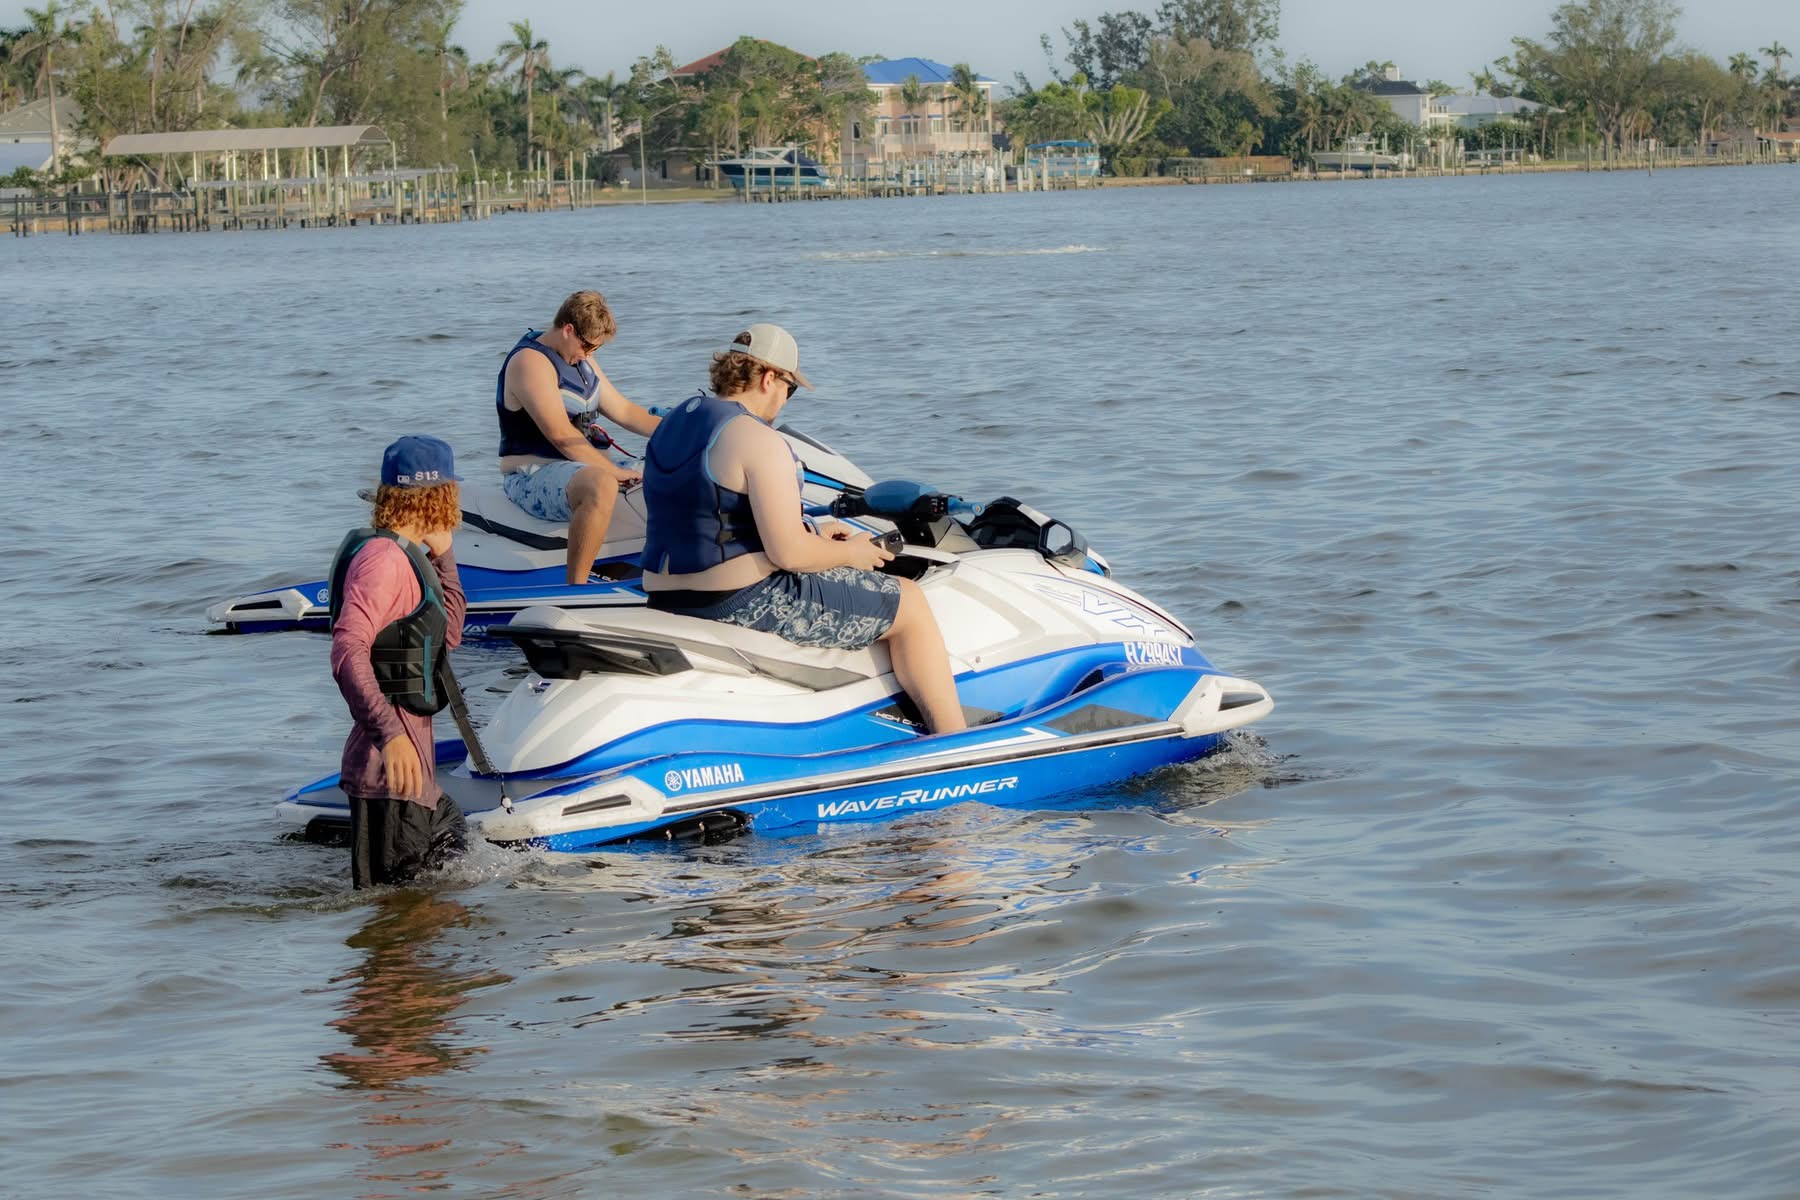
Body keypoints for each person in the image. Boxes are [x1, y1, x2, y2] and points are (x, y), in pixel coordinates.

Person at [639, 324, 967, 736]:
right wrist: (854, 554)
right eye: (789, 389)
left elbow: (707, 512)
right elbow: (790, 555)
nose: (784, 401)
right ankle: (953, 738)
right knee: (912, 604)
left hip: (664, 595)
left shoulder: (673, 424)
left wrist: (813, 532)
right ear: (768, 377)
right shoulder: (758, 439)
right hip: (737, 601)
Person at [328, 435, 470, 889]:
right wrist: (390, 736)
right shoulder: (383, 562)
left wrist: (444, 556)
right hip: (390, 774)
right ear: (439, 496)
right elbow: (347, 648)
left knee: (447, 876)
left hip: (415, 779)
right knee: (401, 933)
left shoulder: (408, 557)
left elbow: (448, 634)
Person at [497, 290, 661, 585]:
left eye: (595, 349)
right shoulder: (530, 363)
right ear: (568, 329)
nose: (589, 354)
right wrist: (613, 472)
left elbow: (625, 411)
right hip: (532, 474)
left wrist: (684, 426)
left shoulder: (581, 359)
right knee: (601, 483)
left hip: (582, 468)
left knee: (671, 470)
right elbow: (560, 435)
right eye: (587, 346)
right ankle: (577, 588)